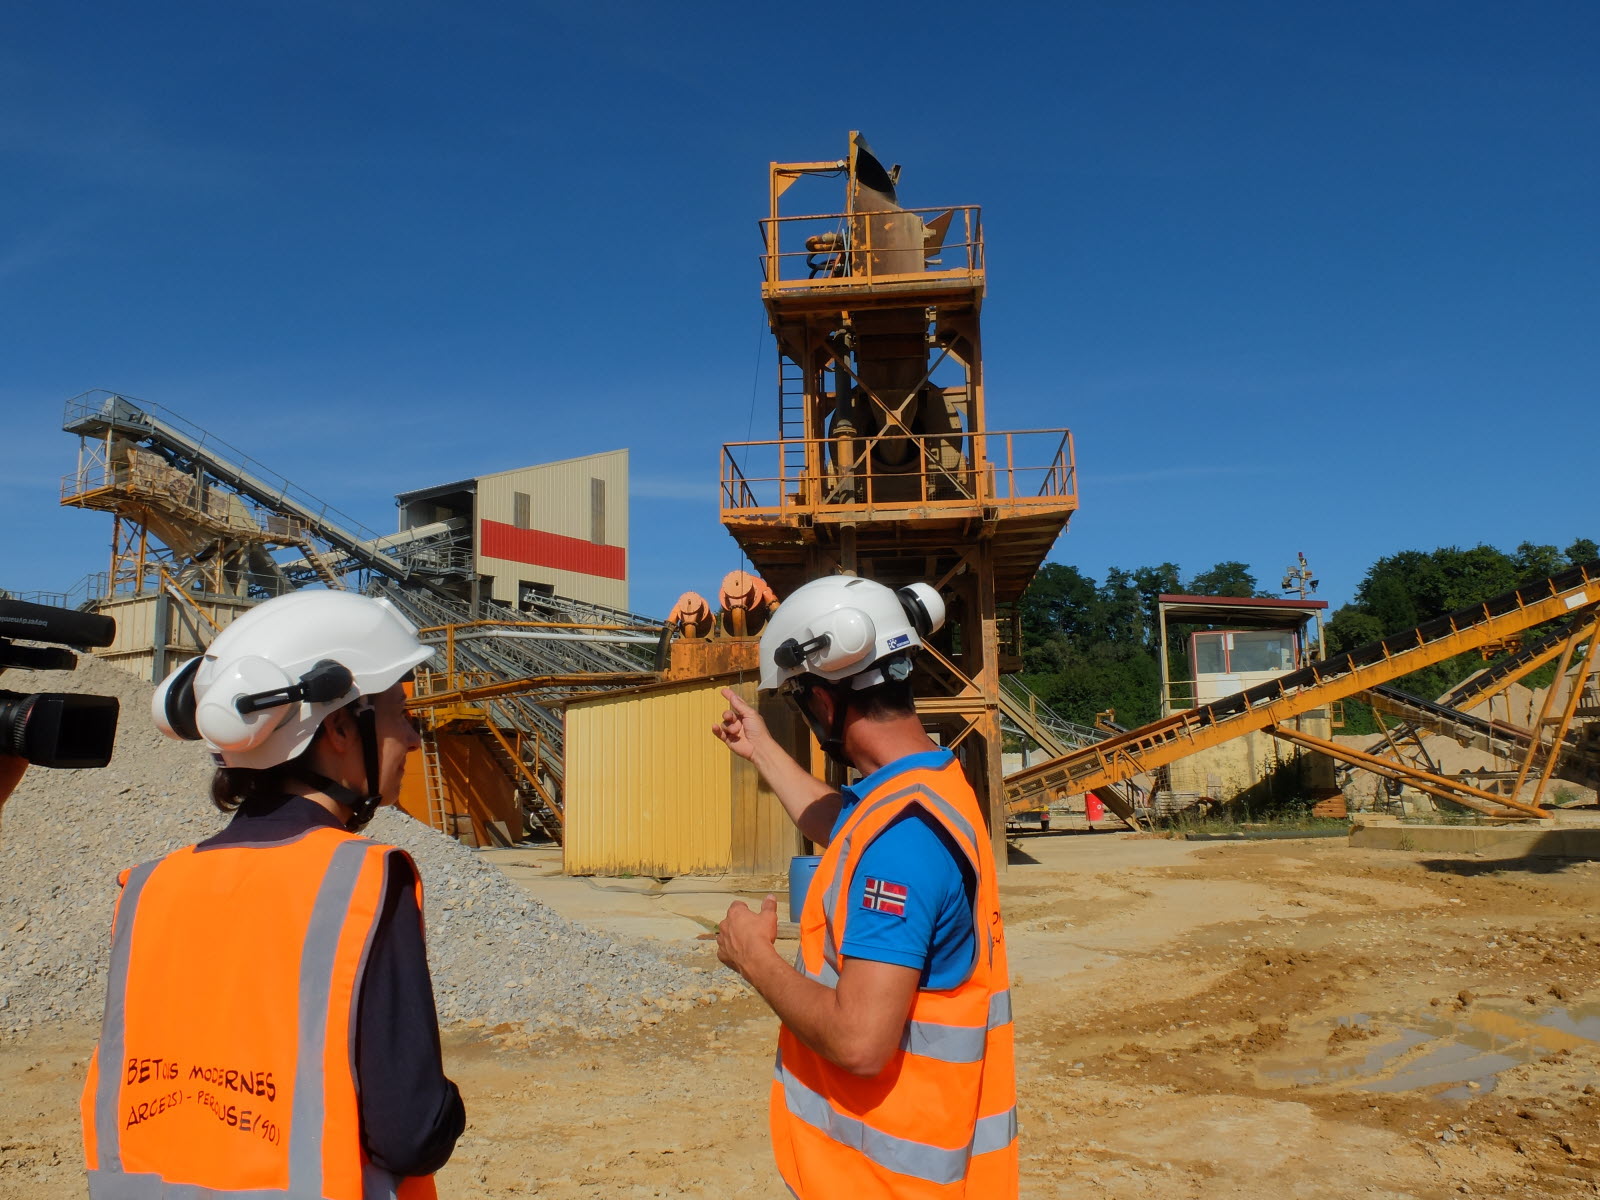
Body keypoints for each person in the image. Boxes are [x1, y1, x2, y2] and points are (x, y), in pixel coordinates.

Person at [81, 590, 464, 1199]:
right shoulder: (359, 881)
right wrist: (446, 1106)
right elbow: (410, 1133)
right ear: (340, 728)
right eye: (400, 715)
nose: (413, 740)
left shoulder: (148, 888)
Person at [712, 574, 1017, 1198]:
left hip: (885, 1182)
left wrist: (753, 957)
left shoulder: (902, 845)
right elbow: (844, 823)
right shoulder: (927, 787)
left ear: (825, 703)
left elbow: (859, 1042)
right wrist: (762, 749)